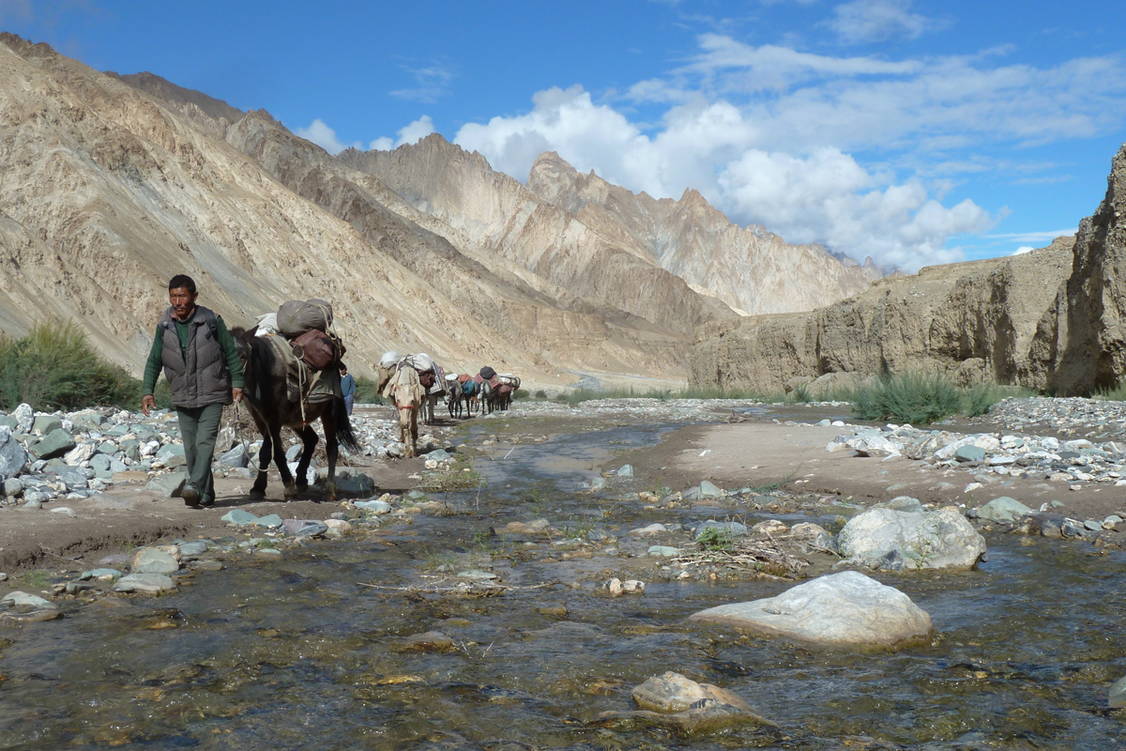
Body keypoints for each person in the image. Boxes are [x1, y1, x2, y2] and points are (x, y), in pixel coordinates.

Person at [141, 274, 244, 508]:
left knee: (205, 442)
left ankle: (194, 485)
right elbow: (154, 359)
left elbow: (230, 352)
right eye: (173, 296)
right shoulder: (165, 324)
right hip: (182, 394)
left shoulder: (211, 320)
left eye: (182, 296)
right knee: (190, 448)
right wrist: (148, 390)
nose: (178, 302)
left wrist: (237, 381)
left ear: (194, 297)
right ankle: (206, 494)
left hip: (213, 392)